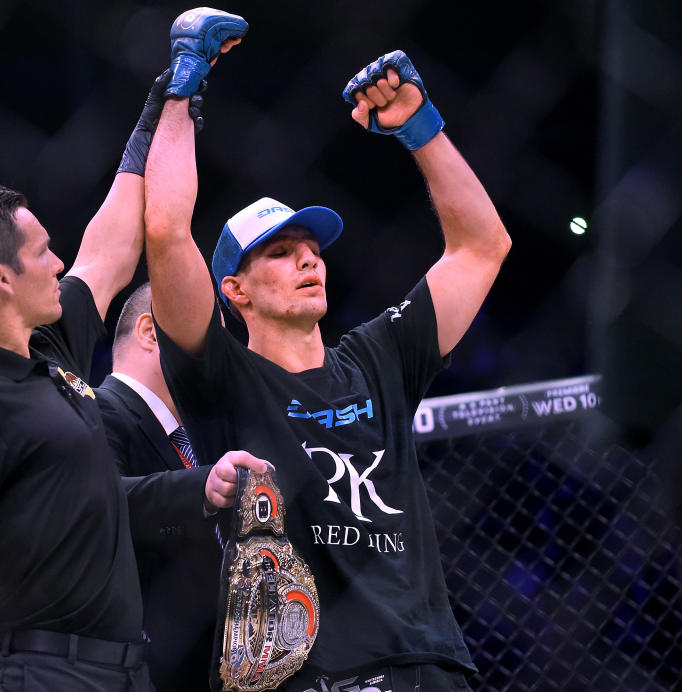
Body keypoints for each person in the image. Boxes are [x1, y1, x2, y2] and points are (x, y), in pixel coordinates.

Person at [144, 24, 511, 692]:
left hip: (429, 665)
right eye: (279, 253)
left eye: (311, 248)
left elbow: (481, 247)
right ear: (235, 289)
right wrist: (183, 86)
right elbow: (166, 234)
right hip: (312, 673)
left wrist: (419, 126)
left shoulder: (378, 355)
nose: (308, 259)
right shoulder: (222, 376)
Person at [0, 68, 170, 692]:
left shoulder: (44, 351)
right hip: (43, 674)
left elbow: (109, 254)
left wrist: (156, 118)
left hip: (120, 669)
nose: (60, 263)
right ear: (0, 278)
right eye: (44, 251)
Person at [95, 282, 222, 692]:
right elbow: (101, 505)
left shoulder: (199, 434)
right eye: (207, 336)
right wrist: (202, 487)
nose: (220, 356)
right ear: (151, 332)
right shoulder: (96, 410)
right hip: (144, 670)